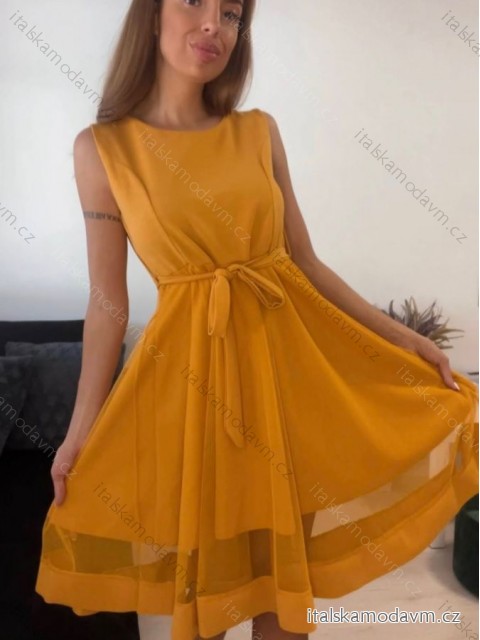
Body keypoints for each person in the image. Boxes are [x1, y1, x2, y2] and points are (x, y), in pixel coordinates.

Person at [35, 0, 479, 638]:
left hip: (284, 381)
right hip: (193, 393)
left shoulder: (258, 132)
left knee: (284, 601)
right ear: (151, 15)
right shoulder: (102, 151)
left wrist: (408, 340)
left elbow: (306, 264)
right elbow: (108, 303)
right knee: (206, 604)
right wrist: (79, 433)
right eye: (195, 2)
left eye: (233, 13)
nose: (214, 24)